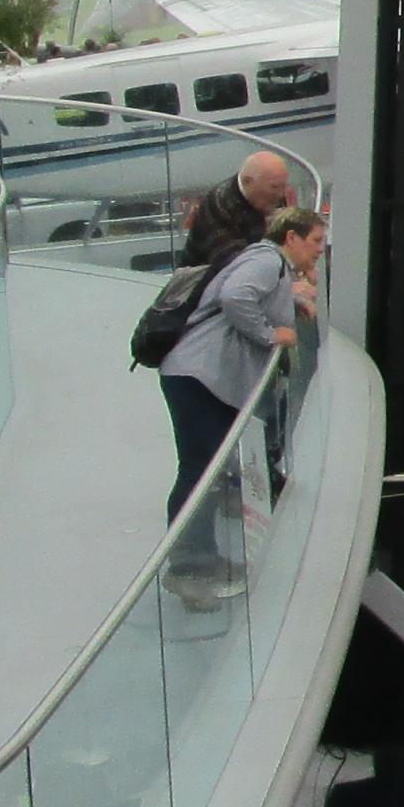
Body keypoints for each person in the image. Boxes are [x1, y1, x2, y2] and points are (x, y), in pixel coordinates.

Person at [161, 202, 323, 597]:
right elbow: (236, 297)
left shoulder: (271, 264)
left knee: (205, 467)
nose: (321, 249)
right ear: (291, 237)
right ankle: (189, 564)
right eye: (316, 241)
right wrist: (270, 334)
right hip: (198, 376)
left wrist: (293, 303)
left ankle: (200, 556)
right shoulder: (267, 261)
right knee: (199, 469)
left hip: (201, 377)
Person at [179, 147, 294, 271]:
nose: (281, 195)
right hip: (208, 276)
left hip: (260, 267)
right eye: (274, 187)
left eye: (283, 186)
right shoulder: (219, 202)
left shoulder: (274, 195)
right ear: (247, 181)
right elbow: (232, 262)